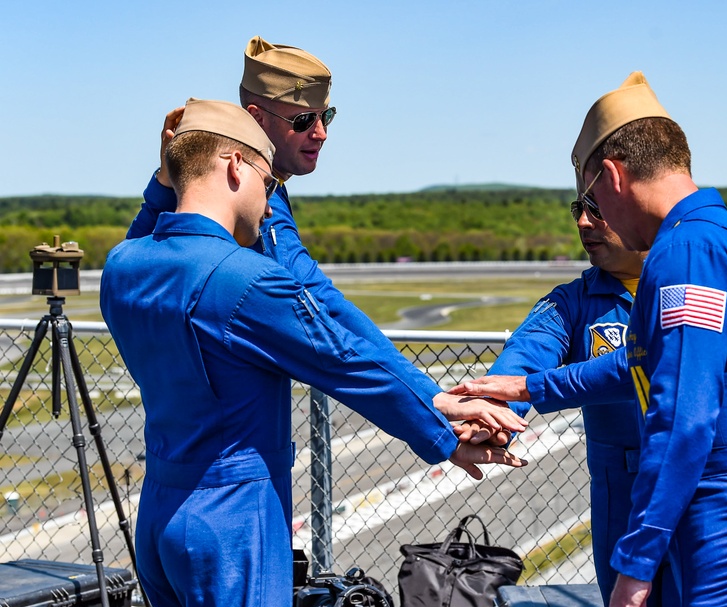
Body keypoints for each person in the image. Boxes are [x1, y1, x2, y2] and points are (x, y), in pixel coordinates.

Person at [100, 99, 528, 607]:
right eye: (266, 178)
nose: (269, 198)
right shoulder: (245, 281)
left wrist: (166, 178)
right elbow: (345, 360)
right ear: (234, 168)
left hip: (160, 510)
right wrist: (443, 426)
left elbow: (151, 227)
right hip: (234, 518)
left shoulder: (124, 266)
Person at [457, 72, 727, 607]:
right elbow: (651, 370)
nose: (587, 220)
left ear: (612, 175)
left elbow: (683, 411)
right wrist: (525, 387)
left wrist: (635, 560)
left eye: (591, 201)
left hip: (725, 516)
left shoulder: (685, 251)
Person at [126, 35, 497, 442]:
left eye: (327, 116)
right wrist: (432, 401)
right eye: (303, 120)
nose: (321, 133)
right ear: (256, 117)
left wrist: (165, 181)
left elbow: (135, 272)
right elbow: (321, 310)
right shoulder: (260, 207)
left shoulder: (128, 258)